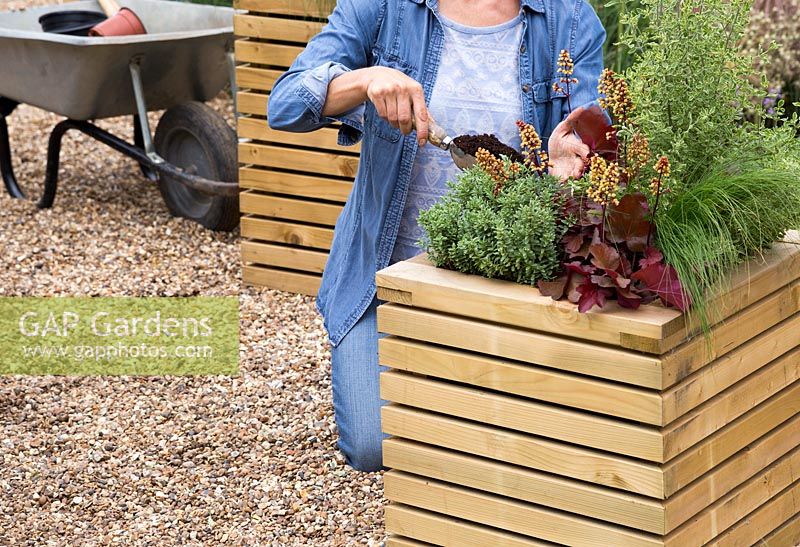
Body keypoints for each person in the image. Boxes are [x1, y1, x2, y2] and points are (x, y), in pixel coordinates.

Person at [269, 0, 606, 472]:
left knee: (518, 448)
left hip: (509, 279)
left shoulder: (567, 18)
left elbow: (591, 131)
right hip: (384, 279)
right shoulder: (384, 7)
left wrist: (569, 156)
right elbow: (284, 104)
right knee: (376, 446)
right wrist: (365, 79)